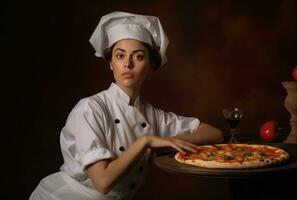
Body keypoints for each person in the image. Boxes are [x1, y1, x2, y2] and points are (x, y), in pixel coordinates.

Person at [29, 11, 224, 200]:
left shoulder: (152, 115)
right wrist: (146, 141)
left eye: (138, 56)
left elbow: (214, 133)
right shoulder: (89, 109)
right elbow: (103, 182)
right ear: (111, 63)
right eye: (120, 56)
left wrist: (168, 140)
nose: (128, 64)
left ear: (150, 65)